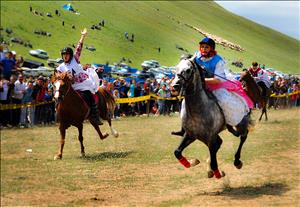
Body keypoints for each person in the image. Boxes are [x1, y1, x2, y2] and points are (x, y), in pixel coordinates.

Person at [194, 37, 253, 127]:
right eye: (202, 47)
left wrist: (202, 80)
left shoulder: (218, 60)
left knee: (223, 101)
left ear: (211, 49)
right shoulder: (196, 56)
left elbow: (218, 80)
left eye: (206, 47)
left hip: (216, 85)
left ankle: (224, 123)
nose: (204, 49)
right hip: (199, 85)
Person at [56, 28, 102, 125]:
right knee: (60, 96)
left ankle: (95, 114)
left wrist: (83, 36)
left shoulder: (75, 59)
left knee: (88, 94)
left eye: (67, 54)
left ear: (70, 55)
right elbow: (58, 78)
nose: (65, 56)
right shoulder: (60, 67)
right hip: (71, 86)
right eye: (64, 54)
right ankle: (61, 115)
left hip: (82, 82)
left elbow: (78, 48)